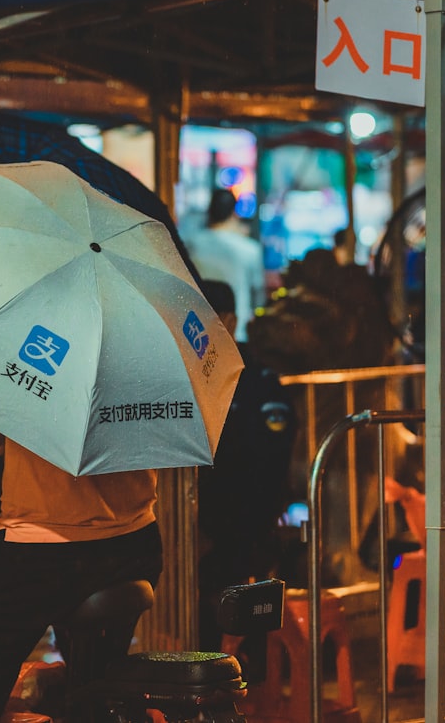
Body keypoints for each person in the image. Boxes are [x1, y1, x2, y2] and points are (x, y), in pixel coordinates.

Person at [0, 403, 163, 723]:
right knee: (92, 690)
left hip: (45, 547)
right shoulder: (139, 355)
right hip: (137, 539)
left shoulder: (30, 350)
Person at [197, 279, 298, 651]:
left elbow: (269, 462)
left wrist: (236, 528)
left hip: (241, 529)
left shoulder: (256, 381)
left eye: (208, 318)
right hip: (200, 528)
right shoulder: (190, 378)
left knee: (240, 624)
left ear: (230, 320)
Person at [187, 188, 265, 341]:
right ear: (234, 213)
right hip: (237, 333)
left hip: (197, 333)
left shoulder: (191, 245)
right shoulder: (250, 249)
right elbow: (258, 296)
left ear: (209, 211)